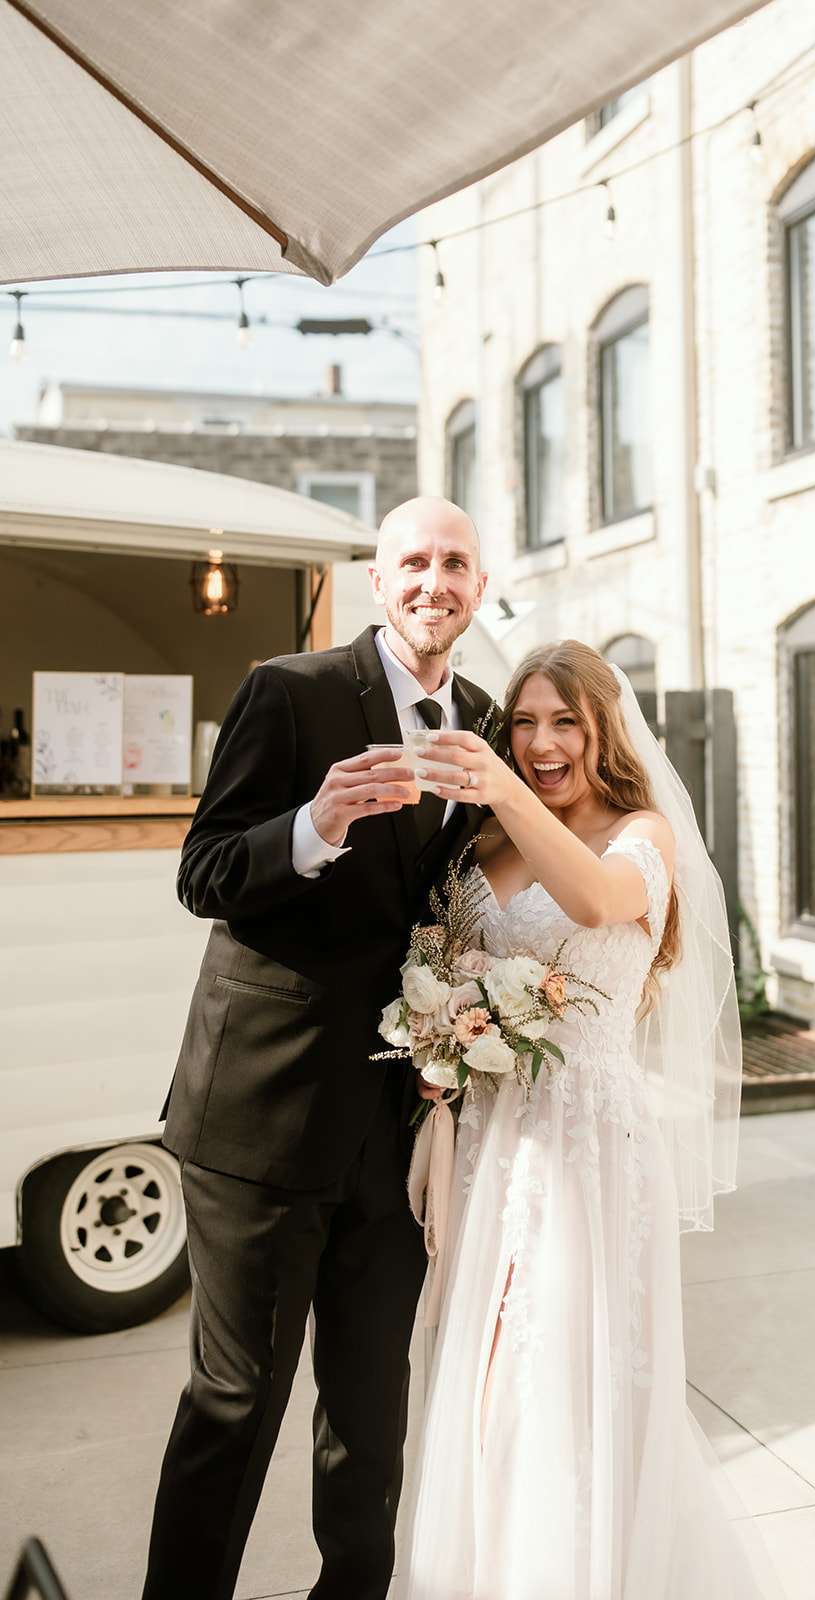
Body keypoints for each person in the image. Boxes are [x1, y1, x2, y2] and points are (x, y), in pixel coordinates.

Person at [142, 497, 495, 1600]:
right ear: (379, 581)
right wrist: (315, 827)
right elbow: (202, 873)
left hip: (395, 1130)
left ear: (478, 586)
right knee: (236, 1400)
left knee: (370, 1403)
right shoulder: (288, 691)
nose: (434, 580)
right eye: (414, 562)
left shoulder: (482, 720)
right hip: (261, 1114)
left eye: (456, 563)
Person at [397, 640, 778, 1599]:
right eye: (521, 723)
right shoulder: (478, 847)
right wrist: (435, 1062)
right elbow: (439, 967)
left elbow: (596, 899)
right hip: (489, 1139)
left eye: (563, 720)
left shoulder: (637, 834)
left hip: (586, 1145)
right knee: (482, 1375)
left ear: (601, 728)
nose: (539, 742)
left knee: (568, 1379)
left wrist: (502, 789)